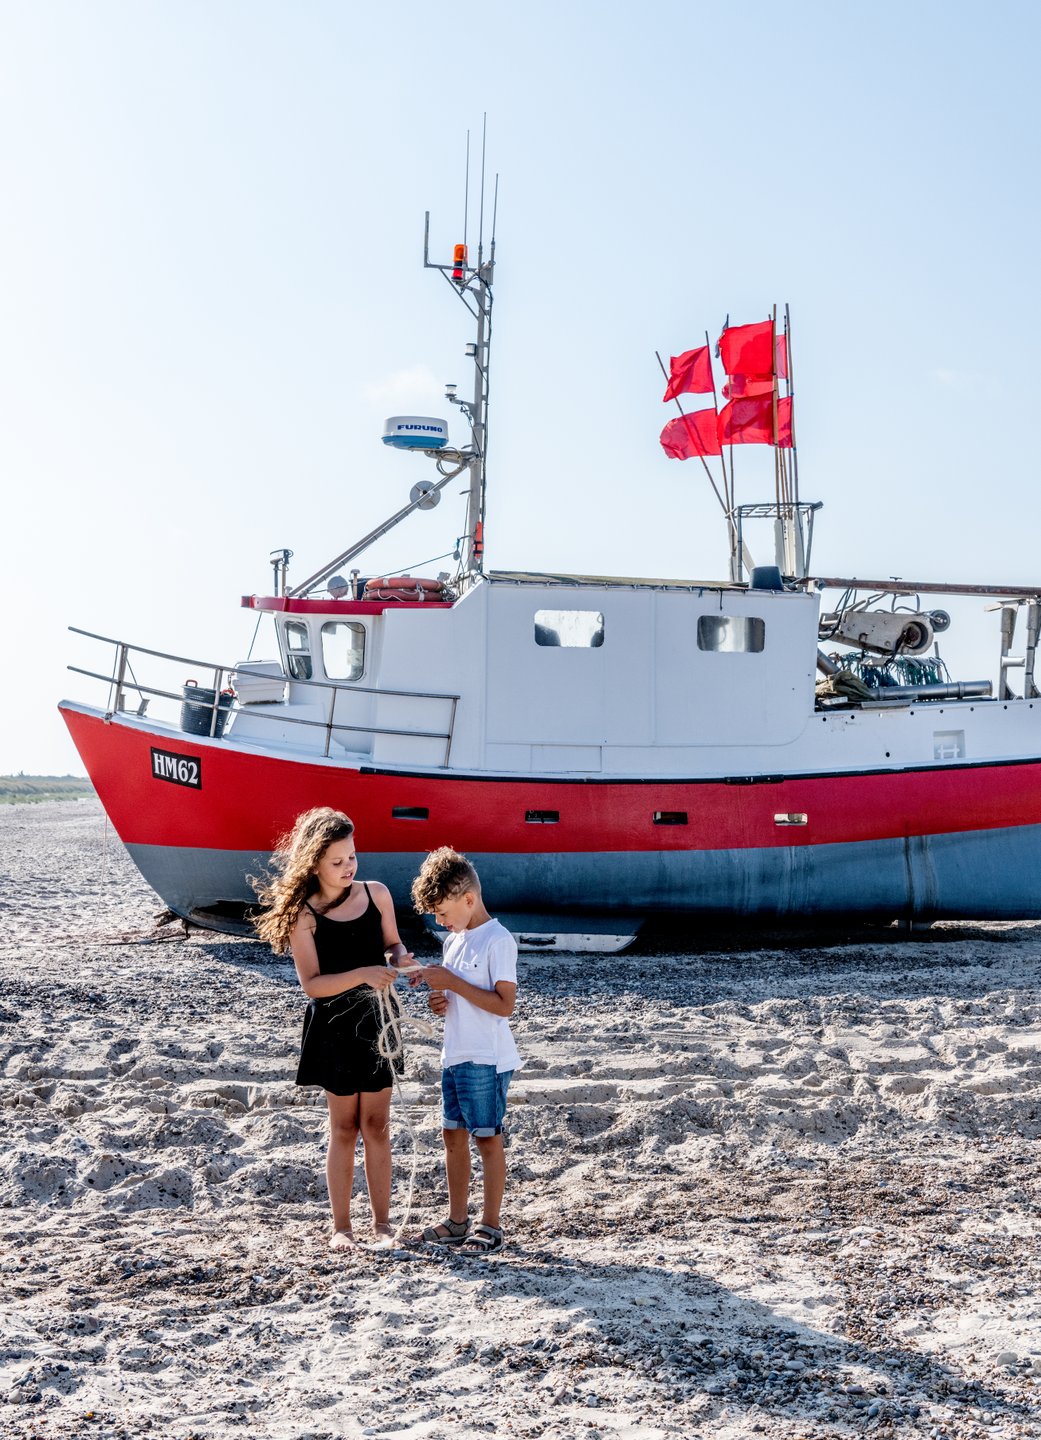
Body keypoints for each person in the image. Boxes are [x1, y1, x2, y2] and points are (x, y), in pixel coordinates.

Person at [253, 808, 412, 1249]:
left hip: (378, 1022)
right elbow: (313, 985)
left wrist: (402, 959)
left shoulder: (376, 893)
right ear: (315, 863)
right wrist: (364, 972)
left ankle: (382, 1224)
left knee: (377, 1124)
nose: (348, 868)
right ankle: (341, 1228)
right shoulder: (303, 915)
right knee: (344, 1128)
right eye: (338, 861)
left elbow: (392, 945)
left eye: (352, 857)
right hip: (334, 1027)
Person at [410, 847, 520, 1256]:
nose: (439, 921)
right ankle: (458, 1221)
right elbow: (455, 999)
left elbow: (504, 1005)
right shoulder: (453, 943)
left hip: (487, 1058)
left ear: (468, 899)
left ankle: (491, 1225)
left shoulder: (498, 940)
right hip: (455, 1053)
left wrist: (452, 985)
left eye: (441, 912)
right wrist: (439, 1000)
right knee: (451, 1134)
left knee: (487, 1138)